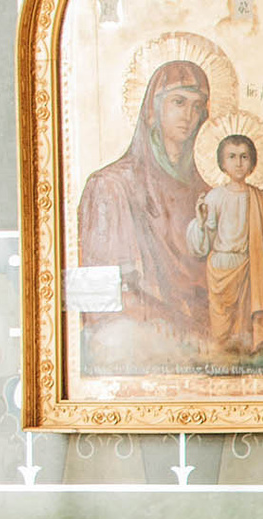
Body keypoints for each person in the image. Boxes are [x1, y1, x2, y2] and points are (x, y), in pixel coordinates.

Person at [75, 59, 213, 359]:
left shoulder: (209, 196)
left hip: (202, 343)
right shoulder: (111, 185)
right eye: (178, 102)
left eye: (197, 105)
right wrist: (164, 319)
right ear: (153, 110)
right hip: (140, 339)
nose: (189, 115)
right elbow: (102, 290)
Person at [187, 132, 263, 357]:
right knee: (222, 327)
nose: (238, 163)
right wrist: (201, 222)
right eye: (232, 157)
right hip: (221, 268)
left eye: (244, 157)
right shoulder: (214, 197)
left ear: (253, 162)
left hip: (249, 267)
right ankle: (224, 357)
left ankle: (247, 355)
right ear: (222, 163)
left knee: (245, 326)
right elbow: (202, 244)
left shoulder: (260, 198)